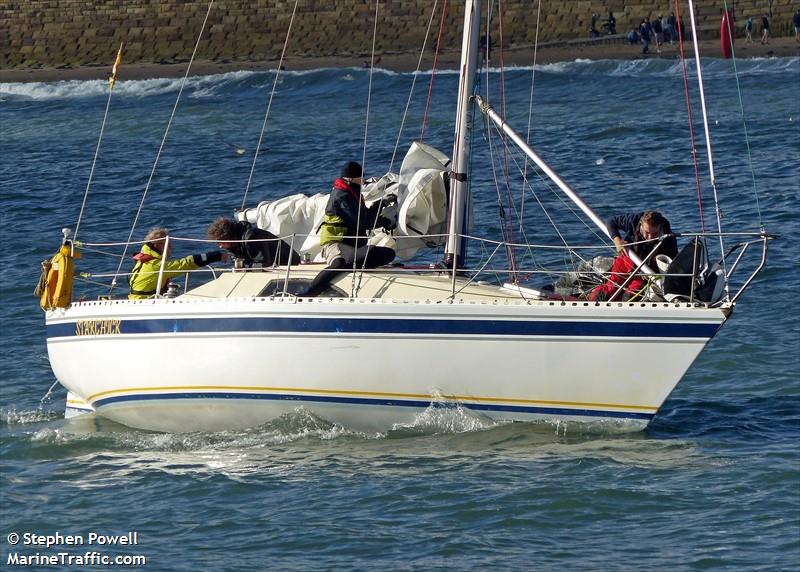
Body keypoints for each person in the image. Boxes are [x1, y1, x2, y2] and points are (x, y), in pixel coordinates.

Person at [302, 161, 396, 297]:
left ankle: (352, 265)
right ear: (351, 178)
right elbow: (361, 222)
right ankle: (309, 292)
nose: (363, 179)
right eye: (361, 176)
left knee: (388, 254)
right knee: (339, 264)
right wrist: (385, 221)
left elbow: (364, 216)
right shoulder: (342, 195)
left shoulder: (353, 193)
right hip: (337, 243)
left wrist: (379, 204)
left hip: (354, 247)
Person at [588, 211, 678, 302]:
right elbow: (610, 221)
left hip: (643, 274)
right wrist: (617, 241)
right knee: (605, 293)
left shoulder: (669, 238)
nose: (650, 237)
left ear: (661, 227)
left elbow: (673, 263)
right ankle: (587, 299)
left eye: (654, 234)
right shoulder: (633, 220)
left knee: (629, 298)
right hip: (625, 261)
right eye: (647, 232)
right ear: (641, 224)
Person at [129, 227, 226, 299]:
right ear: (156, 245)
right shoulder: (155, 265)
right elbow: (184, 264)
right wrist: (215, 256)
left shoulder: (144, 262)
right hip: (145, 303)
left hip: (138, 300)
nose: (171, 248)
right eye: (168, 244)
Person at [207, 217, 301, 268]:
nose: (220, 246)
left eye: (221, 242)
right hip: (271, 267)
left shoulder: (251, 237)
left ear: (229, 237)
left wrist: (247, 268)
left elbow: (264, 262)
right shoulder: (233, 245)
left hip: (288, 265)